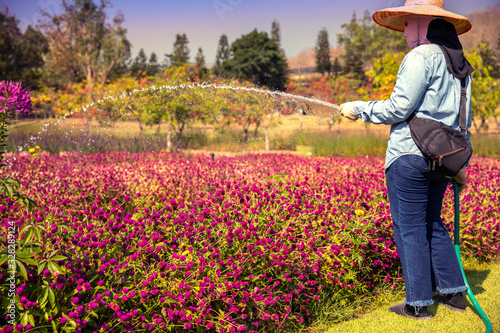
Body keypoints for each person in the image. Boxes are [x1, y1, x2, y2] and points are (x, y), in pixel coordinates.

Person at [339, 0, 474, 319]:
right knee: (433, 224)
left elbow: (399, 108)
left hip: (409, 155)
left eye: (408, 24)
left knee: (410, 229)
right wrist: (460, 167)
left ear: (422, 25)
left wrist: (360, 109)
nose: (404, 33)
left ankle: (418, 304)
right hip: (443, 158)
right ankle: (454, 294)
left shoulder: (420, 56)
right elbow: (463, 119)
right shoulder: (462, 65)